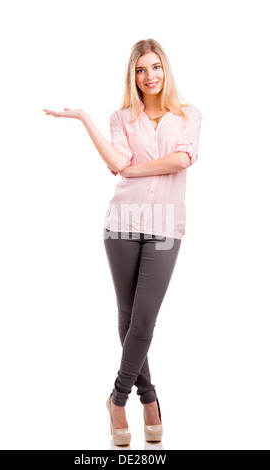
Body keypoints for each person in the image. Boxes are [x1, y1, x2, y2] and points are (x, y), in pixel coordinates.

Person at [43, 38, 202, 446]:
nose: (149, 76)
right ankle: (149, 399)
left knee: (144, 320)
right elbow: (115, 163)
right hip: (121, 224)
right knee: (128, 315)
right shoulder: (121, 117)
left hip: (166, 226)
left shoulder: (188, 115)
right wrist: (82, 117)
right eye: (140, 70)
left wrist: (133, 170)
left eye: (155, 67)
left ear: (165, 70)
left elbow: (182, 160)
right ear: (133, 76)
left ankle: (117, 399)